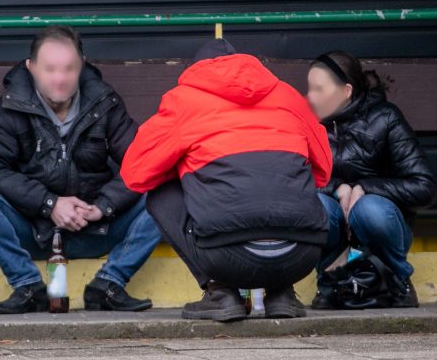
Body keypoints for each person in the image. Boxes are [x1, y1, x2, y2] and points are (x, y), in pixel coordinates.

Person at [0, 25, 162, 314]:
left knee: (167, 186)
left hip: (96, 227)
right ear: (31, 68)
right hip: (33, 231)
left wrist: (103, 206)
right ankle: (28, 286)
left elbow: (145, 162)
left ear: (81, 66)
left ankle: (109, 284)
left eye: (69, 69)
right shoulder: (9, 109)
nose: (60, 79)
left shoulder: (104, 104)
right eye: (50, 69)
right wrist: (48, 204)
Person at [120, 38, 332, 322]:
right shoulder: (289, 96)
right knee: (283, 186)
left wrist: (189, 169)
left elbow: (135, 174)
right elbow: (323, 172)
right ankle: (282, 293)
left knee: (160, 193)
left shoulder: (184, 100)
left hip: (226, 257)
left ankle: (220, 293)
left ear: (197, 71)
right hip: (301, 254)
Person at [306, 50, 437, 309]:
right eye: (310, 88)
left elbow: (424, 186)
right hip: (334, 218)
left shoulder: (386, 117)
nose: (310, 96)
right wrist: (338, 189)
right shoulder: (308, 124)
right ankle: (330, 282)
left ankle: (397, 281)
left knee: (369, 210)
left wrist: (365, 188)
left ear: (346, 91)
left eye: (319, 89)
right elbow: (294, 179)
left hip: (381, 219)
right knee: (315, 205)